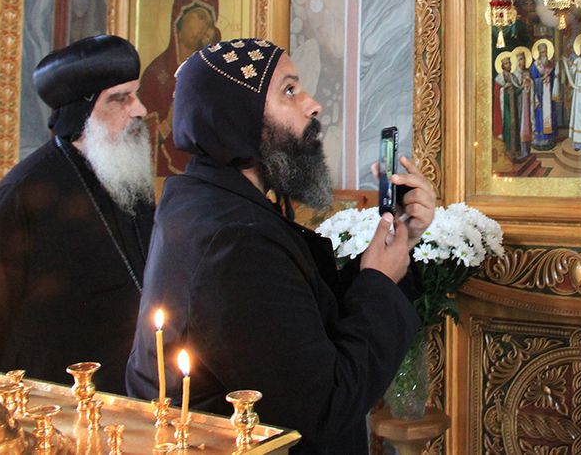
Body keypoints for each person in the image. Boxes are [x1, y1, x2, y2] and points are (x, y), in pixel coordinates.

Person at [125, 38, 436, 454]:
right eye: (289, 90)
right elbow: (322, 407)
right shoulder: (233, 242)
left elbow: (303, 321)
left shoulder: (214, 203)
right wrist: (378, 280)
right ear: (238, 114)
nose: (313, 105)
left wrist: (399, 242)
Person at [0, 35, 154, 394]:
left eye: (136, 94)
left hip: (132, 394)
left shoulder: (127, 177)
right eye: (120, 98)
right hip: (52, 403)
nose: (139, 109)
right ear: (81, 110)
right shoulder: (19, 195)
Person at [137, 0, 220, 177]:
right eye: (200, 17)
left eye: (210, 24)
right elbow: (137, 142)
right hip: (164, 183)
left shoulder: (211, 74)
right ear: (179, 18)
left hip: (206, 180)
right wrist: (167, 124)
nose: (206, 27)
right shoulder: (155, 75)